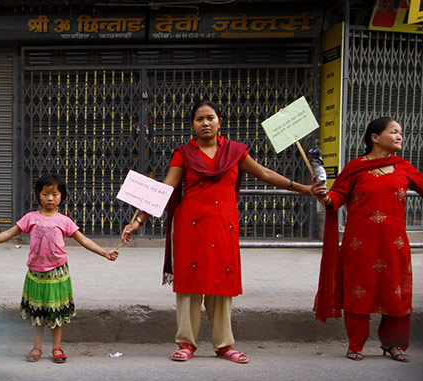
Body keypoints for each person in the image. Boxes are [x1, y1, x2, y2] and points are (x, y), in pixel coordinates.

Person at [121, 100, 313, 363]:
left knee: (222, 284)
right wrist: (138, 221)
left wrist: (303, 188)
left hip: (224, 227)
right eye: (199, 119)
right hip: (190, 228)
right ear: (192, 125)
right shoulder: (183, 153)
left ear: (219, 121)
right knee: (189, 286)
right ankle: (186, 343)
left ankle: (224, 345)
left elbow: (265, 173)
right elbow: (166, 188)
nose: (205, 123)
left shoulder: (235, 152)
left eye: (210, 118)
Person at [312, 117, 423, 362]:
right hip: (359, 245)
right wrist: (324, 194)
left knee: (396, 293)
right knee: (358, 292)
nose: (399, 137)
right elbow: (336, 199)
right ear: (375, 137)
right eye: (393, 132)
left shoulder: (403, 167)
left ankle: (394, 344)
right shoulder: (355, 168)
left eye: (401, 133)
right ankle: (356, 344)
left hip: (394, 244)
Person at [0, 174, 118, 363]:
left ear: (62, 197)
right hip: (36, 273)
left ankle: (57, 348)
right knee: (37, 313)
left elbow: (83, 240)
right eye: (45, 193)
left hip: (57, 273)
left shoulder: (64, 221)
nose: (50, 198)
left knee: (56, 312)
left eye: (55, 194)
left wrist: (105, 253)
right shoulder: (30, 218)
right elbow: (9, 233)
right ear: (38, 195)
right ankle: (36, 348)